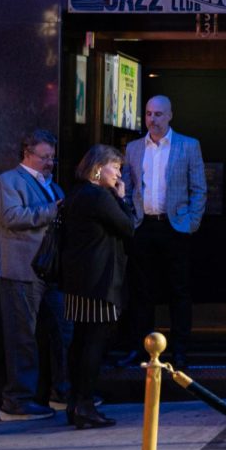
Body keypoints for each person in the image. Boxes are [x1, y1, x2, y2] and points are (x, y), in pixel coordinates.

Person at [0, 129, 72, 421]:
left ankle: (61, 391)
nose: (50, 162)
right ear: (27, 153)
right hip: (18, 268)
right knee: (21, 335)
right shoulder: (8, 181)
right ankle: (17, 400)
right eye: (44, 157)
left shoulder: (51, 185)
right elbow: (10, 217)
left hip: (47, 271)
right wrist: (51, 210)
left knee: (61, 330)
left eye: (52, 157)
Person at [122, 95, 206, 369]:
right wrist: (129, 218)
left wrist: (191, 222)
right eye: (148, 114)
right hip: (143, 225)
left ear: (170, 115)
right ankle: (140, 348)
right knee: (141, 291)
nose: (152, 120)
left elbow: (199, 188)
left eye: (158, 114)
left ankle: (180, 351)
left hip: (175, 226)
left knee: (178, 290)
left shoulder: (188, 145)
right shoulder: (134, 148)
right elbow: (127, 187)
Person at [61, 144, 135, 429]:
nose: (118, 173)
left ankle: (76, 403)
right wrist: (122, 198)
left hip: (79, 280)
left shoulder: (76, 194)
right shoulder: (99, 197)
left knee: (81, 340)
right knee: (93, 342)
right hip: (99, 281)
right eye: (114, 167)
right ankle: (85, 404)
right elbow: (128, 226)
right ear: (97, 168)